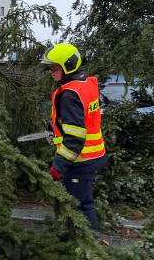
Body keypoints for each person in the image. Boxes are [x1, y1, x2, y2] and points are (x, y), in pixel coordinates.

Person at [41, 43, 107, 230]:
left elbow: (75, 137)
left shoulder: (70, 95)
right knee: (80, 204)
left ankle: (88, 247)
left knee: (82, 207)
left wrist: (58, 166)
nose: (51, 72)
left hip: (79, 159)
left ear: (67, 66)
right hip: (93, 154)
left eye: (54, 67)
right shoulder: (87, 83)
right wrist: (58, 128)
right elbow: (84, 120)